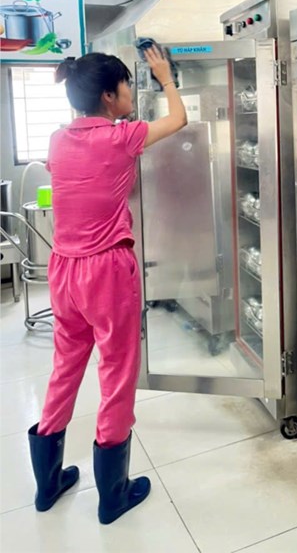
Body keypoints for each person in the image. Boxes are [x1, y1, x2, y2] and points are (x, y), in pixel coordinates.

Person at [27, 46, 187, 524]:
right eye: (125, 85)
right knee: (116, 371)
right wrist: (165, 77)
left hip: (63, 269)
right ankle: (112, 494)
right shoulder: (122, 137)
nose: (129, 92)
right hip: (107, 271)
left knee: (66, 367)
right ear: (108, 96)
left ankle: (47, 485)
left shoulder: (58, 140)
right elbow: (178, 120)